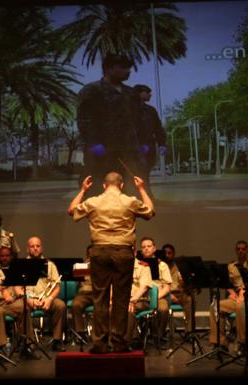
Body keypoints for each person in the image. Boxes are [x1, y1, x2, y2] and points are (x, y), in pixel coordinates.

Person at [68, 171, 155, 354]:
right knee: (121, 299)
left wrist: (83, 190)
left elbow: (72, 210)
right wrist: (141, 188)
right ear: (121, 185)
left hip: (99, 251)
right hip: (123, 252)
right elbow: (150, 211)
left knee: (100, 298)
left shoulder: (94, 201)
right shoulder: (129, 201)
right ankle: (120, 343)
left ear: (104, 185)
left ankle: (100, 344)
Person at [76, 54, 145, 196]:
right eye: (124, 67)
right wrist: (94, 143)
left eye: (129, 68)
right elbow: (85, 119)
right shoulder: (92, 91)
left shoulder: (130, 93)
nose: (128, 71)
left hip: (128, 151)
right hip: (102, 152)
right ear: (109, 69)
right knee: (97, 191)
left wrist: (140, 144)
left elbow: (137, 121)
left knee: (131, 192)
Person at [0, 247, 38, 359]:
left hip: (6, 302)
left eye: (7, 256)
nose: (4, 258)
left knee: (23, 307)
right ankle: (1, 348)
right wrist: (0, 291)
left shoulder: (7, 269)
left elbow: (9, 286)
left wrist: (10, 294)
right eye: (2, 256)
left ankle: (27, 345)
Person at [24, 236, 66, 352]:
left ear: (41, 248)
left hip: (46, 299)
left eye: (38, 246)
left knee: (60, 305)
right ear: (27, 249)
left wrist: (50, 298)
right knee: (22, 308)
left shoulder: (50, 265)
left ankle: (57, 341)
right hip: (29, 299)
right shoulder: (22, 264)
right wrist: (28, 299)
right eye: (32, 246)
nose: (35, 249)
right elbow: (17, 288)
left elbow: (57, 286)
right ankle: (29, 343)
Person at [137, 237, 172, 343]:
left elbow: (167, 286)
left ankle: (158, 336)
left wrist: (156, 297)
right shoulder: (137, 265)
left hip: (158, 296)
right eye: (143, 247)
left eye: (149, 246)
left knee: (163, 309)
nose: (146, 249)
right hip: (141, 297)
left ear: (154, 248)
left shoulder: (162, 265)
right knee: (130, 308)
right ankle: (136, 337)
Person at [133, 84, 167, 183]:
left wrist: (162, 144)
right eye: (147, 92)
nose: (150, 95)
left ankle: (144, 192)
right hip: (134, 146)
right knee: (137, 172)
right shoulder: (129, 108)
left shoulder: (150, 110)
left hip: (149, 146)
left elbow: (158, 128)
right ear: (140, 93)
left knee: (145, 171)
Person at [160, 243, 194, 332]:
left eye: (169, 253)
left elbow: (187, 282)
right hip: (165, 294)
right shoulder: (159, 266)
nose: (167, 255)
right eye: (165, 253)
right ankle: (161, 333)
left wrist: (185, 282)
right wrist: (169, 295)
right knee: (161, 306)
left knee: (190, 300)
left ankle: (189, 331)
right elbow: (158, 284)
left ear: (173, 254)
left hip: (179, 293)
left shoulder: (179, 266)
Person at [71, 245, 95, 342]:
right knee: (76, 305)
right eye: (89, 254)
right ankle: (80, 333)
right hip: (84, 294)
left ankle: (97, 334)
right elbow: (76, 282)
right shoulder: (82, 266)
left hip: (97, 293)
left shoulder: (102, 267)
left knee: (102, 306)